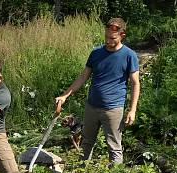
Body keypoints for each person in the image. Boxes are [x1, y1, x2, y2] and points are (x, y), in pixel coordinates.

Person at [55, 17, 140, 165]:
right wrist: (65, 95)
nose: (108, 41)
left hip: (113, 109)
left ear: (122, 36)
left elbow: (135, 83)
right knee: (86, 142)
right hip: (92, 107)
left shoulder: (129, 55)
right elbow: (83, 77)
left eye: (112, 38)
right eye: (106, 36)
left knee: (114, 147)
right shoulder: (96, 53)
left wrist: (132, 110)